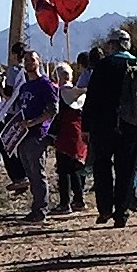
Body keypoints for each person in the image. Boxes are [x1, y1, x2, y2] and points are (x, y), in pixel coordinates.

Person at [80, 27, 137, 226]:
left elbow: (92, 98)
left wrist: (86, 126)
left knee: (102, 166)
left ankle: (105, 208)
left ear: (113, 44)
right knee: (126, 169)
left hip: (104, 127)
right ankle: (122, 213)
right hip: (132, 125)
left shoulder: (104, 65)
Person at [0, 51, 61, 222]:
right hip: (23, 135)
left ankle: (41, 209)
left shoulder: (45, 84)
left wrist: (34, 122)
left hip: (37, 134)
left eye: (31, 60)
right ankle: (36, 206)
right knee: (29, 173)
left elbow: (53, 110)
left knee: (37, 172)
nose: (28, 63)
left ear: (38, 62)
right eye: (26, 60)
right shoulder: (25, 87)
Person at [50, 63, 88, 213]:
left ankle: (64, 203)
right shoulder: (80, 94)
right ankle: (78, 200)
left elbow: (55, 115)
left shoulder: (58, 95)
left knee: (64, 170)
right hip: (79, 132)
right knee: (75, 168)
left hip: (64, 133)